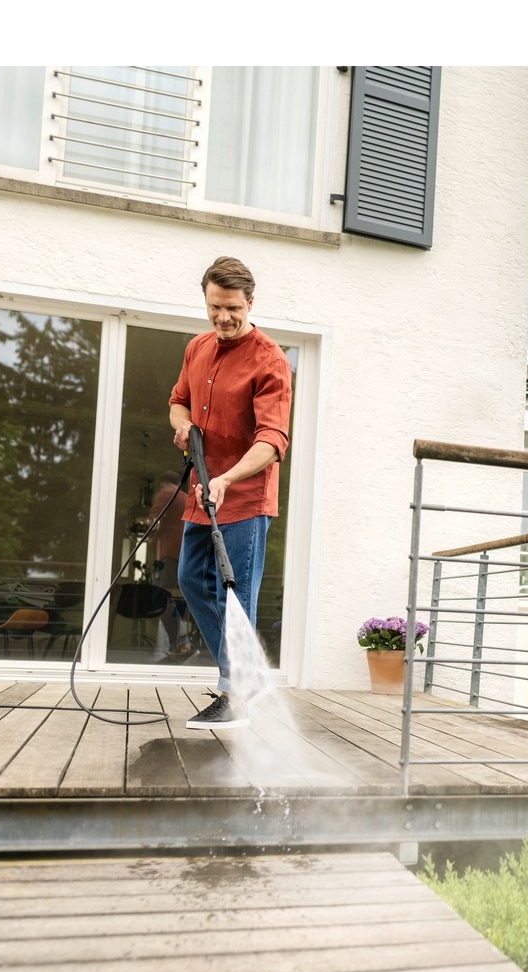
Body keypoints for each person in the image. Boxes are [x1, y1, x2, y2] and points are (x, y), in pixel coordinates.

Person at [168, 256, 291, 729]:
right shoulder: (196, 348)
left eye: (233, 309)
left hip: (244, 498)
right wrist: (183, 426)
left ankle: (235, 692)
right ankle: (245, 674)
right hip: (202, 491)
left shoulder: (270, 359)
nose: (223, 317)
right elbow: (178, 401)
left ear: (250, 303)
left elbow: (273, 440)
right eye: (215, 307)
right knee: (190, 579)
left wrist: (227, 478)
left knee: (234, 596)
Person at [145, 470, 192, 661]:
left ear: (162, 482)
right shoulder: (186, 497)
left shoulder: (166, 493)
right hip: (185, 554)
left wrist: (147, 535)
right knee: (179, 598)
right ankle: (184, 642)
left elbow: (153, 521)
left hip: (170, 554)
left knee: (161, 598)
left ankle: (177, 643)